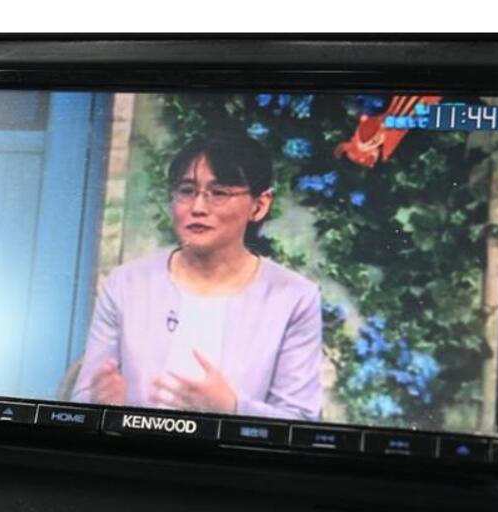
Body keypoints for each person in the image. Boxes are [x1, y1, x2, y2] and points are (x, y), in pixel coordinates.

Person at [66, 135, 322, 421]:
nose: (198, 207)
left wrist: (231, 408)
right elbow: (81, 400)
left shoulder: (294, 297)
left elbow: (300, 421)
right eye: (187, 191)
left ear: (259, 205)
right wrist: (99, 406)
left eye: (219, 193)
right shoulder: (126, 284)